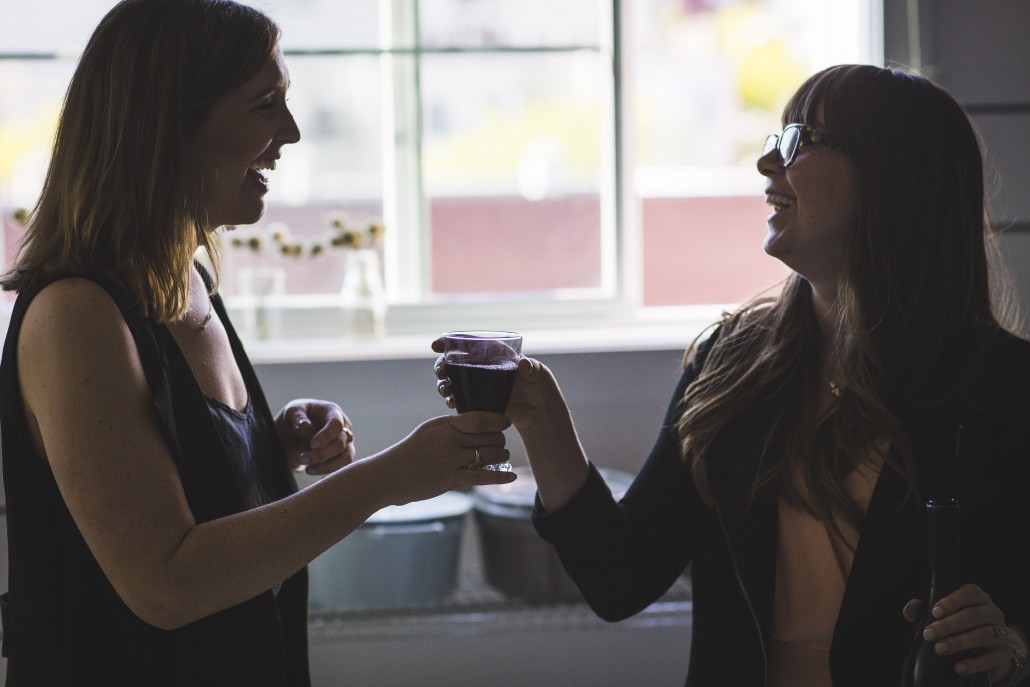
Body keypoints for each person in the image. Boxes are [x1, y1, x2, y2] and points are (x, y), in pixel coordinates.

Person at [435, 64, 1030, 686]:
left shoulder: (1006, 389)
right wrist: (542, 416)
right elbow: (621, 579)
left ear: (893, 179)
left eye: (799, 139)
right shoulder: (732, 360)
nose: (767, 163)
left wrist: (1013, 647)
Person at [0, 1, 516, 685]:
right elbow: (168, 580)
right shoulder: (75, 315)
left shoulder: (189, 277)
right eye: (265, 105)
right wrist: (388, 478)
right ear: (169, 127)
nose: (292, 132)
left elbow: (168, 481)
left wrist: (268, 448)